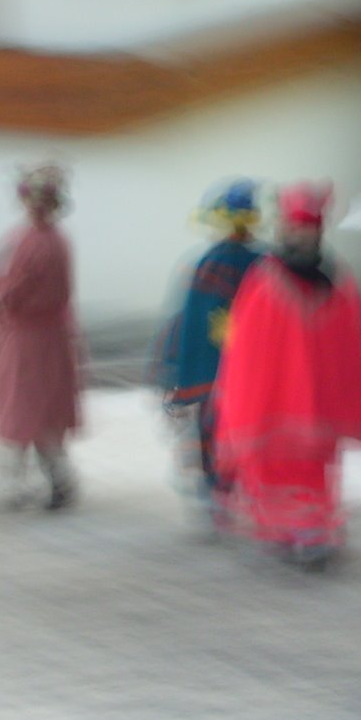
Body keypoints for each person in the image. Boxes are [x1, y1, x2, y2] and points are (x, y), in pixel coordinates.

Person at [214, 181, 361, 567]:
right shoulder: (268, 280)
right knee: (281, 466)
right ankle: (289, 530)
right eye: (295, 227)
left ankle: (310, 530)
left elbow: (351, 347)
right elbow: (247, 350)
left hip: (309, 404)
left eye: (308, 228)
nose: (300, 235)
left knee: (312, 468)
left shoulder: (336, 281)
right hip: (277, 404)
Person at [0, 164, 82, 511]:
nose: (35, 206)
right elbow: (11, 281)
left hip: (31, 342)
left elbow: (16, 290)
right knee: (34, 412)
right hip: (44, 339)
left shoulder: (36, 243)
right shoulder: (46, 240)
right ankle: (49, 482)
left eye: (41, 200)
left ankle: (36, 484)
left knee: (25, 410)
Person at [157, 178, 265, 527]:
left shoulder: (209, 264)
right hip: (254, 368)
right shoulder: (267, 263)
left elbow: (188, 323)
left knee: (213, 429)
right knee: (247, 428)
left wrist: (175, 367)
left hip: (214, 368)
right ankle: (240, 490)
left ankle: (216, 493)